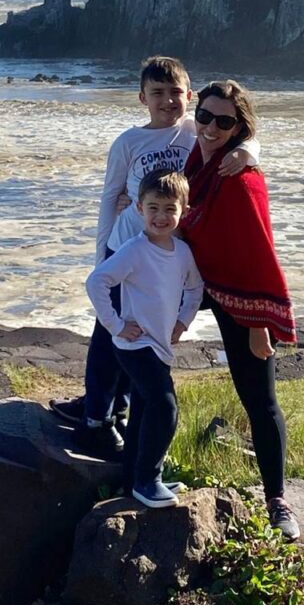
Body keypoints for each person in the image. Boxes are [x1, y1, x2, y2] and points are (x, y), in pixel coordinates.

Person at [50, 55, 259, 458]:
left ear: (190, 97)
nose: (167, 101)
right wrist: (101, 256)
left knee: (146, 332)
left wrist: (249, 152)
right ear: (142, 97)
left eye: (175, 93)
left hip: (169, 254)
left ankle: (118, 408)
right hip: (127, 247)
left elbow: (243, 132)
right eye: (157, 93)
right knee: (111, 331)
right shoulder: (128, 142)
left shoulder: (195, 132)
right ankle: (96, 418)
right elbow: (110, 197)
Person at [181, 80, 301, 540]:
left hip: (238, 296)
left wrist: (258, 326)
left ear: (238, 128)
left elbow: (257, 254)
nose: (211, 127)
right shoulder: (196, 156)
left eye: (224, 121)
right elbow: (155, 122)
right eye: (206, 116)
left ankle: (278, 502)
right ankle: (105, 424)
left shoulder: (241, 179)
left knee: (261, 402)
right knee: (125, 333)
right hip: (194, 281)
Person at [85, 168, 203, 508]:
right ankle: (149, 480)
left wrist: (182, 322)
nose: (161, 216)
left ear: (184, 211)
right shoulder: (134, 250)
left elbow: (196, 289)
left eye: (169, 209)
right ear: (139, 209)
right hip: (134, 345)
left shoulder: (182, 253)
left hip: (161, 344)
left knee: (142, 411)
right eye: (153, 208)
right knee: (164, 407)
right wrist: (116, 325)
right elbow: (96, 282)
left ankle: (133, 480)